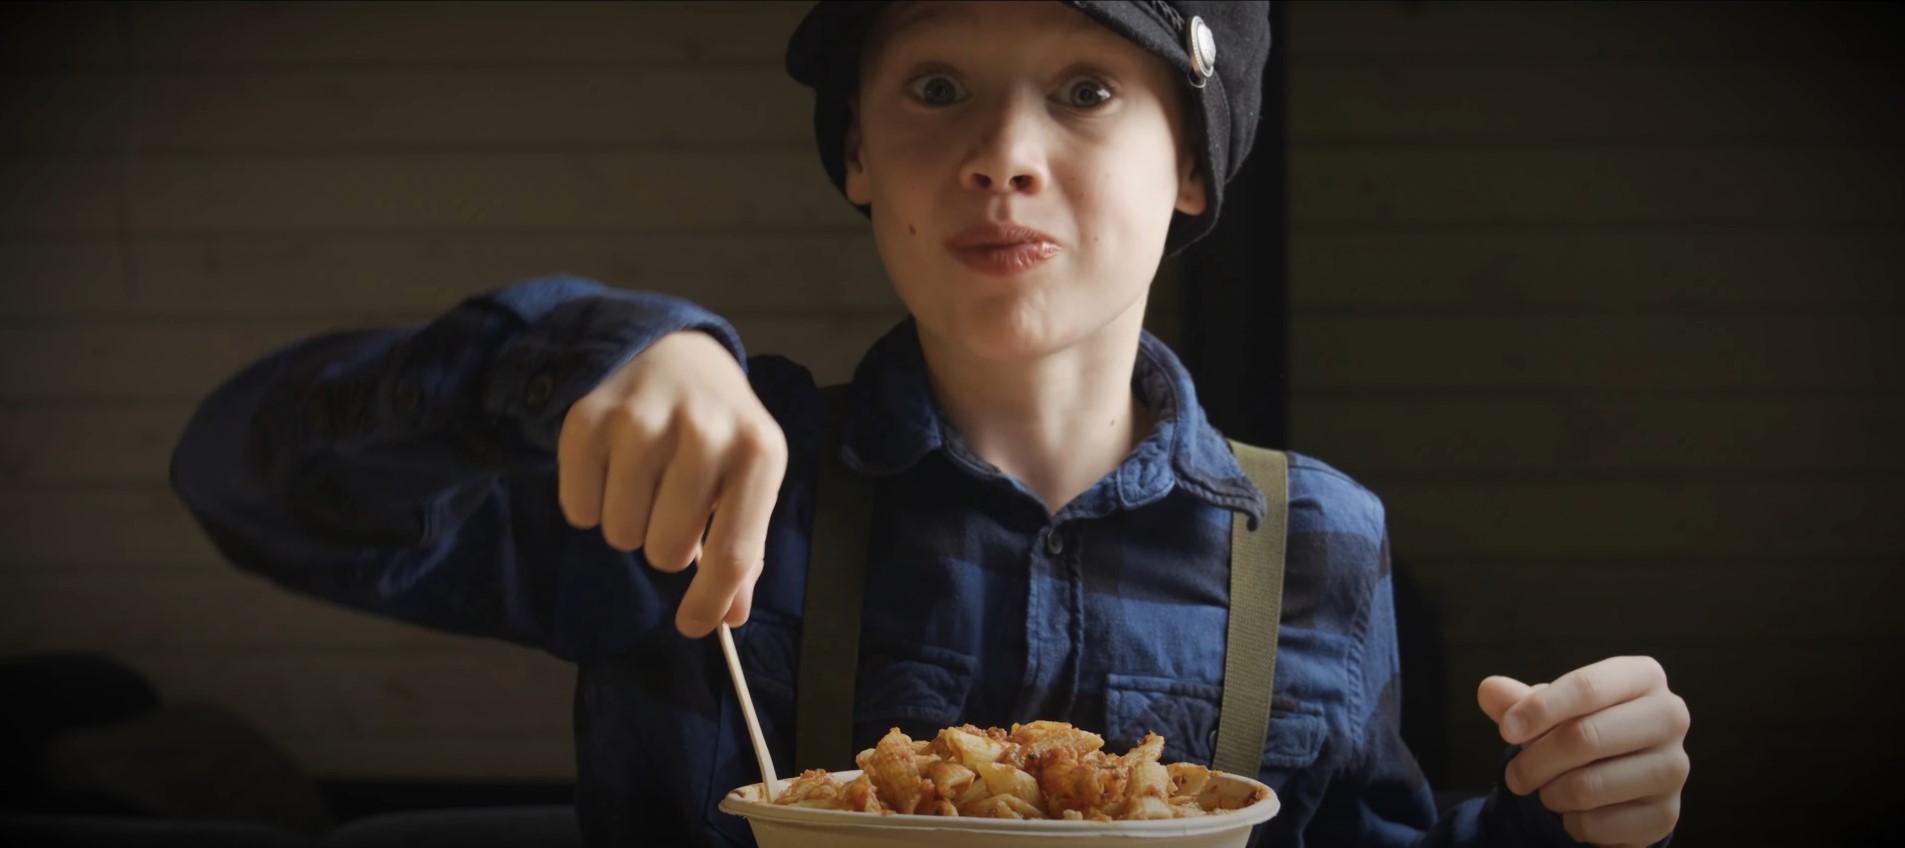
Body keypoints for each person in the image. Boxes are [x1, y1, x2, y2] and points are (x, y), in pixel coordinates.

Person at [169, 2, 1690, 846]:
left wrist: (1569, 818)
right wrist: (588, 351)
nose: (1002, 157)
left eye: (1087, 90)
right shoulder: (700, 476)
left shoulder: (1320, 540)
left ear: (1190, 173)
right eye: (938, 90)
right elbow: (243, 473)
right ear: (856, 162)